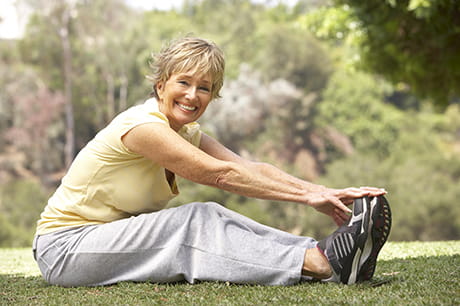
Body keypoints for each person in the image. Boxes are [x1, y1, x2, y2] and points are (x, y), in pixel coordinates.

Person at [33, 37, 391, 287]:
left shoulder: (186, 132)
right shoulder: (140, 127)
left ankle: (321, 253)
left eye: (204, 87)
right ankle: (321, 265)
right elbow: (218, 174)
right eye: (183, 82)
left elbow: (252, 168)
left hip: (100, 242)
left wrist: (324, 192)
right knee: (194, 219)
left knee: (213, 215)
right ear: (160, 86)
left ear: (213, 94)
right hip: (66, 249)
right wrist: (304, 198)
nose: (192, 95)